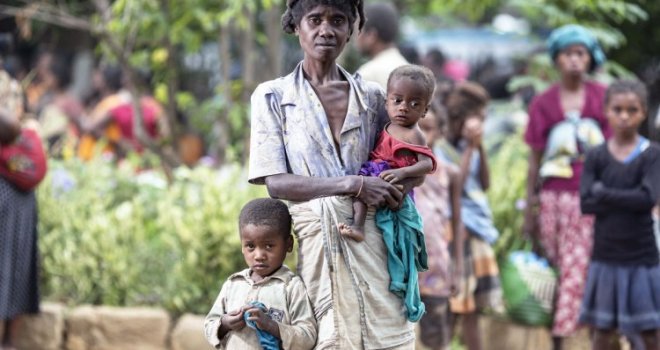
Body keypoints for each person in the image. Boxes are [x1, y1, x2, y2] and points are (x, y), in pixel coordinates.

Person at [248, 0, 420, 348]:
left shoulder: (373, 98)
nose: (326, 29)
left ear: (352, 29)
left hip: (371, 243)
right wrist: (353, 185)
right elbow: (276, 183)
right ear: (296, 26)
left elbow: (398, 157)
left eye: (338, 20)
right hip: (316, 246)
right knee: (324, 336)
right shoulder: (272, 96)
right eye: (315, 19)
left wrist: (399, 182)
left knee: (386, 336)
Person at [522, 24, 610, 349]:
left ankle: (562, 338)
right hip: (552, 199)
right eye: (568, 53)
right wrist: (529, 207)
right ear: (556, 59)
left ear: (589, 59)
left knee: (576, 267)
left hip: (588, 199)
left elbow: (614, 155)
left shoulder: (603, 98)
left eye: (580, 53)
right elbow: (534, 159)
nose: (574, 60)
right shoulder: (543, 103)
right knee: (559, 268)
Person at [579, 80, 660, 350]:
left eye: (632, 110)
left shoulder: (651, 155)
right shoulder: (596, 155)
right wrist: (628, 197)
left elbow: (648, 198)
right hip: (606, 257)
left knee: (650, 333)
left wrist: (604, 193)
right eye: (618, 109)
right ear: (606, 111)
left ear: (643, 113)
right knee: (602, 334)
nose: (624, 116)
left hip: (642, 258)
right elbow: (586, 203)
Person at [434, 81, 502, 350]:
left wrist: (479, 147)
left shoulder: (471, 145)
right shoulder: (440, 148)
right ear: (462, 118)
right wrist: (472, 148)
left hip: (476, 230)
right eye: (479, 119)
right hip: (455, 231)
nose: (481, 125)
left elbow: (484, 183)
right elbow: (456, 184)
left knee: (472, 308)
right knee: (453, 306)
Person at [338, 65, 436, 241]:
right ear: (386, 102)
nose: (404, 108)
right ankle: (358, 227)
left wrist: (402, 172)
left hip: (395, 179)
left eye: (414, 104)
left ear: (425, 111)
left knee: (397, 224)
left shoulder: (414, 134)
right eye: (397, 101)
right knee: (359, 195)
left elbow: (427, 164)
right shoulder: (386, 124)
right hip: (374, 172)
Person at [204, 198, 317, 349]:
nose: (258, 255)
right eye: (250, 246)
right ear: (242, 246)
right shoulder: (233, 284)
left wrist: (271, 325)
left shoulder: (291, 287)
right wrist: (224, 324)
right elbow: (209, 325)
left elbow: (308, 336)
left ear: (288, 244)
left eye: (269, 246)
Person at [0, 65, 47, 350]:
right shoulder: (28, 131)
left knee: (10, 266)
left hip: (11, 203)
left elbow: (10, 127)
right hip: (21, 205)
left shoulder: (18, 129)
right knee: (14, 268)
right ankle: (10, 341)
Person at [416, 100, 465, 350]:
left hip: (436, 267)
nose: (422, 134)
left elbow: (457, 224)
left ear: (441, 131)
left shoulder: (450, 173)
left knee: (436, 337)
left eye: (429, 128)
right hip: (400, 270)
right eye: (417, 126)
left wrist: (457, 269)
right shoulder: (392, 169)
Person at [354, 2, 408, 90]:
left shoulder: (368, 75)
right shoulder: (407, 68)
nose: (355, 37)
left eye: (359, 30)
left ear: (371, 36)